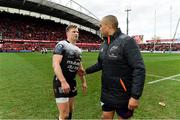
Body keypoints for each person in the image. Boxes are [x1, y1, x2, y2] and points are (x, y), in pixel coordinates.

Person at [80, 15, 145, 119]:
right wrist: (86, 71)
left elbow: (139, 68)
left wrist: (135, 96)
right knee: (105, 117)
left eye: (101, 26)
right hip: (106, 93)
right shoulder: (104, 44)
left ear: (108, 26)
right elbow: (101, 64)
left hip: (123, 95)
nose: (99, 28)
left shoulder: (127, 41)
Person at [52, 25, 87, 120]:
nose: (76, 33)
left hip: (72, 82)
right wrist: (63, 81)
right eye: (73, 31)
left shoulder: (78, 50)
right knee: (64, 115)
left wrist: (83, 81)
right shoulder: (62, 45)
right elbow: (55, 64)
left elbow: (80, 67)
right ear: (67, 33)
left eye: (77, 32)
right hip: (61, 81)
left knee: (71, 110)